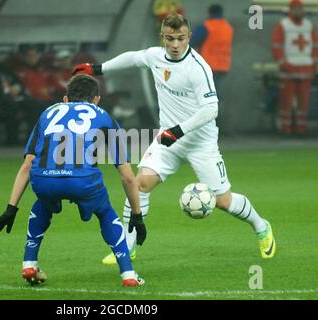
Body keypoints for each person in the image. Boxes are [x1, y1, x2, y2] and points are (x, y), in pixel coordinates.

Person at [72, 13, 276, 265]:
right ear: (163, 38)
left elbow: (211, 110)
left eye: (181, 38)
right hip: (167, 139)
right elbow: (134, 58)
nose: (176, 44)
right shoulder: (156, 56)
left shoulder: (198, 68)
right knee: (140, 183)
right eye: (170, 39)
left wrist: (178, 131)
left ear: (189, 37)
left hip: (200, 142)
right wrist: (98, 69)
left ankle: (261, 225)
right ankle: (128, 245)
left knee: (223, 201)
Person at [0, 74, 146, 287]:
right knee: (105, 211)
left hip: (44, 180)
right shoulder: (105, 116)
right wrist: (136, 215)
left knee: (42, 204)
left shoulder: (47, 113)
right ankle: (128, 275)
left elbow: (27, 166)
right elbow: (126, 176)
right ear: (97, 99)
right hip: (83, 180)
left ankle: (29, 263)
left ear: (65, 99)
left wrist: (10, 209)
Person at [272, 0, 318, 135]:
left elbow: (315, 47)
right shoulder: (283, 25)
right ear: (290, 10)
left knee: (304, 102)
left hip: (306, 69)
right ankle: (285, 129)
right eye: (295, 9)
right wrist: (284, 64)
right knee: (286, 101)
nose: (298, 11)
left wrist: (314, 64)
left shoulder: (309, 26)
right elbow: (276, 46)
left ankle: (301, 129)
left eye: (300, 9)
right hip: (289, 70)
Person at [191, 4, 233, 127]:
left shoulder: (207, 27)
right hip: (223, 66)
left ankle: (204, 127)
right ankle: (217, 126)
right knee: (217, 98)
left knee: (203, 98)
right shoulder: (228, 27)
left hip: (208, 67)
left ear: (209, 13)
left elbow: (192, 42)